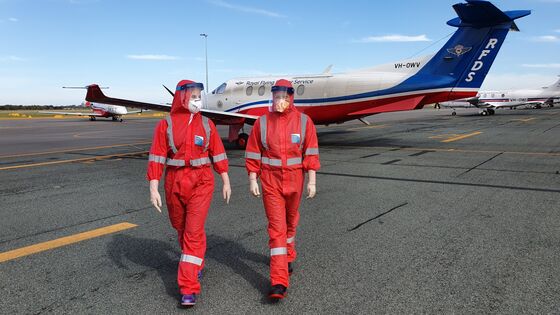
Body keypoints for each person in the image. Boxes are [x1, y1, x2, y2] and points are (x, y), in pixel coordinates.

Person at [147, 80, 231, 307]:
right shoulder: (165, 125)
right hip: (174, 182)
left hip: (201, 181)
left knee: (192, 232)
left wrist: (225, 179)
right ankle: (196, 263)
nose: (197, 99)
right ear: (181, 97)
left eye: (198, 95)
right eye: (193, 95)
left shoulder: (207, 124)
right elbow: (157, 156)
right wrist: (153, 186)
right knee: (181, 228)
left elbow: (218, 153)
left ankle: (188, 287)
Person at [245, 79, 320, 300]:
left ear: (291, 98)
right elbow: (253, 151)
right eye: (277, 96)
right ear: (272, 97)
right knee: (277, 228)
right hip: (271, 182)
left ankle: (288, 256)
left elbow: (311, 153)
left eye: (284, 97)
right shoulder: (262, 123)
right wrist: (252, 178)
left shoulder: (304, 122)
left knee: (291, 222)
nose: (280, 101)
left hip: (296, 180)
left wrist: (312, 181)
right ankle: (278, 280)